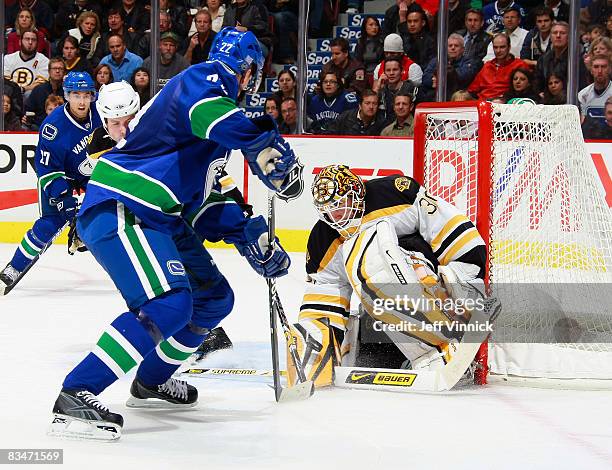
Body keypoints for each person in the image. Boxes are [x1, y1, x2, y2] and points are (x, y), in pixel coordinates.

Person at [49, 28, 298, 440]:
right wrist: (260, 139)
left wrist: (247, 233)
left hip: (158, 214)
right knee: (169, 303)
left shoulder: (213, 132)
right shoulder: (204, 78)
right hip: (124, 205)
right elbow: (210, 113)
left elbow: (200, 200)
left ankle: (152, 380)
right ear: (249, 68)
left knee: (213, 298)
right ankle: (77, 391)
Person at [286, 165, 487, 387]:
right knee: (363, 272)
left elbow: (450, 227)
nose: (335, 216)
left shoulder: (393, 194)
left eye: (340, 205)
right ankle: (401, 354)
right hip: (383, 315)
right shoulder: (321, 241)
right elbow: (325, 300)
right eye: (328, 211)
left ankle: (443, 343)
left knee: (372, 257)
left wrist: (467, 281)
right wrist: (316, 349)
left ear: (356, 194)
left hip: (429, 286)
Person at [0, 72, 101, 294]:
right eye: (76, 95)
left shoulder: (101, 112)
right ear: (67, 96)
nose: (82, 101)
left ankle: (83, 233)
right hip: (58, 174)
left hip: (89, 170)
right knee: (50, 222)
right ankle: (13, 268)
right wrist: (63, 198)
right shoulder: (53, 127)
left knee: (113, 209)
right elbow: (46, 169)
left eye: (86, 95)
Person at [422, 33, 482, 101]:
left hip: (459, 96)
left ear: (463, 49)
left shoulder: (469, 62)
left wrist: (438, 78)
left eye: (456, 46)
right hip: (436, 95)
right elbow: (425, 78)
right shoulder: (437, 60)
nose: (453, 48)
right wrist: (439, 79)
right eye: (450, 46)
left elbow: (463, 76)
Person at [468, 32, 529, 100]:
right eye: (495, 47)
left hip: (505, 103)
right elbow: (472, 90)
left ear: (509, 47)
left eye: (502, 47)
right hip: (482, 103)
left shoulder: (519, 65)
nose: (498, 51)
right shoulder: (487, 66)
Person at [3, 30, 50, 98]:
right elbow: (6, 81)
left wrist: (23, 89)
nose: (30, 42)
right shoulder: (8, 58)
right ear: (20, 42)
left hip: (31, 95)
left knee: (29, 93)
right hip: (10, 93)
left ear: (37, 43)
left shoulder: (44, 60)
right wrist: (17, 90)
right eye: (27, 39)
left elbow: (40, 84)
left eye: (33, 40)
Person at [24, 58, 66, 130]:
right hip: (39, 127)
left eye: (60, 68)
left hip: (63, 127)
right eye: (54, 68)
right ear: (49, 71)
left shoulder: (69, 91)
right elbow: (28, 110)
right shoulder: (38, 90)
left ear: (64, 72)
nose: (57, 71)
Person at [372, 58, 410, 122]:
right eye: (388, 70)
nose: (391, 73)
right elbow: (370, 106)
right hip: (384, 127)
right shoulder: (381, 90)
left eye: (395, 70)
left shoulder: (412, 89)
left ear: (402, 71)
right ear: (384, 73)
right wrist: (377, 87)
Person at [535, 21, 569, 93]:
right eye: (555, 33)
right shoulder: (543, 59)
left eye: (562, 33)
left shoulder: (575, 60)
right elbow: (538, 84)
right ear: (550, 37)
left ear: (569, 37)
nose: (558, 36)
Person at [578, 55, 612, 125]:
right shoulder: (583, 95)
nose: (600, 71)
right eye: (596, 67)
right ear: (591, 70)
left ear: (610, 69)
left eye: (603, 67)